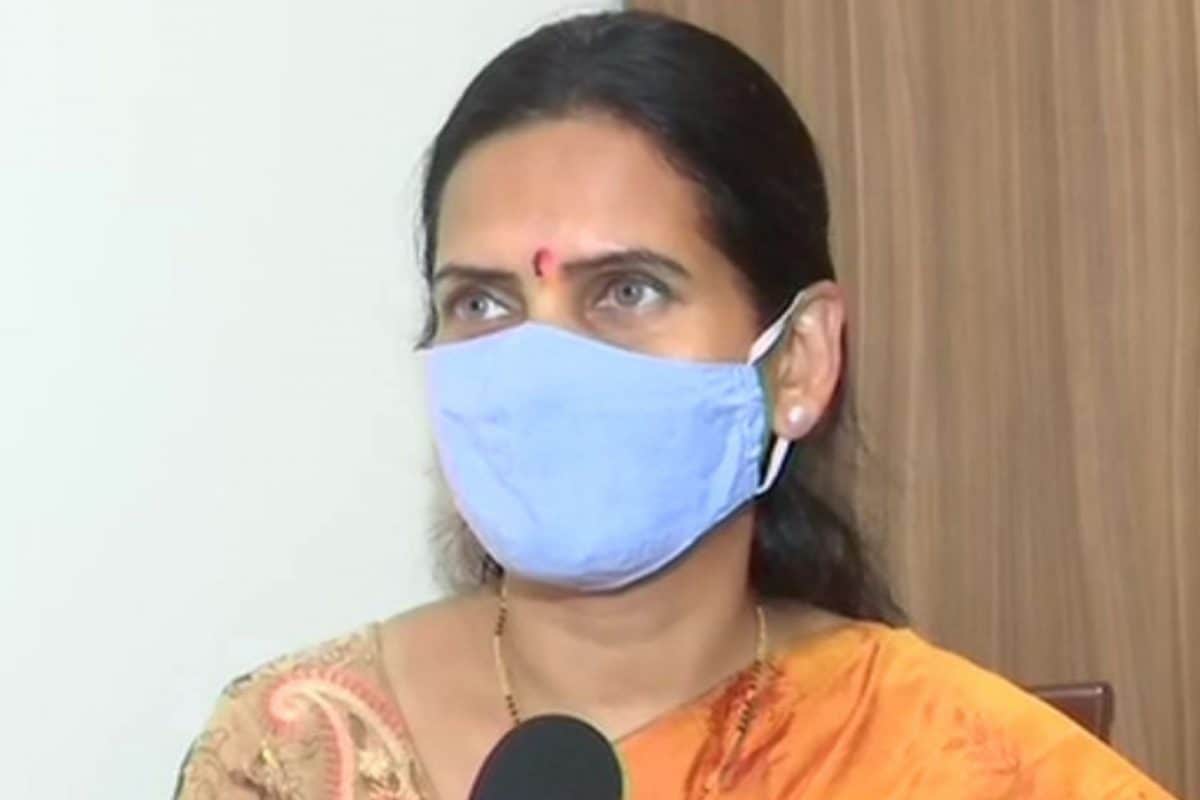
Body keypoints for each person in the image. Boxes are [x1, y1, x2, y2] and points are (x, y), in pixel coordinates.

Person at [174, 11, 1174, 800]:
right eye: (482, 302)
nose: (541, 362)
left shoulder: (958, 761)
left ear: (798, 361)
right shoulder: (292, 751)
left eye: (626, 291)